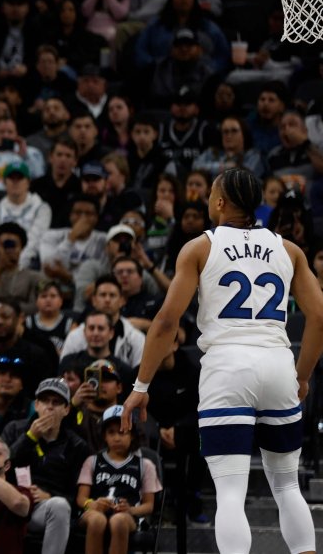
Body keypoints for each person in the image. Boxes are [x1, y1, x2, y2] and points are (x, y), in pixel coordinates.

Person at [123, 167, 323, 554]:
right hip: (277, 361)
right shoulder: (289, 249)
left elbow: (165, 322)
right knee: (286, 485)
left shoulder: (200, 247)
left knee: (231, 492)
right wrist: (302, 376)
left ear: (218, 202)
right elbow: (318, 316)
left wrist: (140, 386)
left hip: (227, 368)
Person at [4, 378, 90, 554]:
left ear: (66, 410)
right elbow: (0, 465)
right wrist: (29, 438)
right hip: (10, 503)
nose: (49, 407)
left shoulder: (77, 446)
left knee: (60, 506)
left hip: (43, 509)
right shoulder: (14, 429)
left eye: (57, 402)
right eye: (44, 401)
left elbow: (76, 496)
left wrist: (49, 495)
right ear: (36, 405)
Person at [77, 405, 161, 554]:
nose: (117, 437)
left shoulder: (145, 465)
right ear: (104, 436)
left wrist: (130, 509)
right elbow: (81, 498)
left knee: (118, 521)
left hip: (127, 515)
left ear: (132, 434)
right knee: (97, 520)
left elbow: (149, 506)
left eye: (123, 431)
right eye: (111, 432)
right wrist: (92, 504)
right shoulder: (92, 461)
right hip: (95, 511)